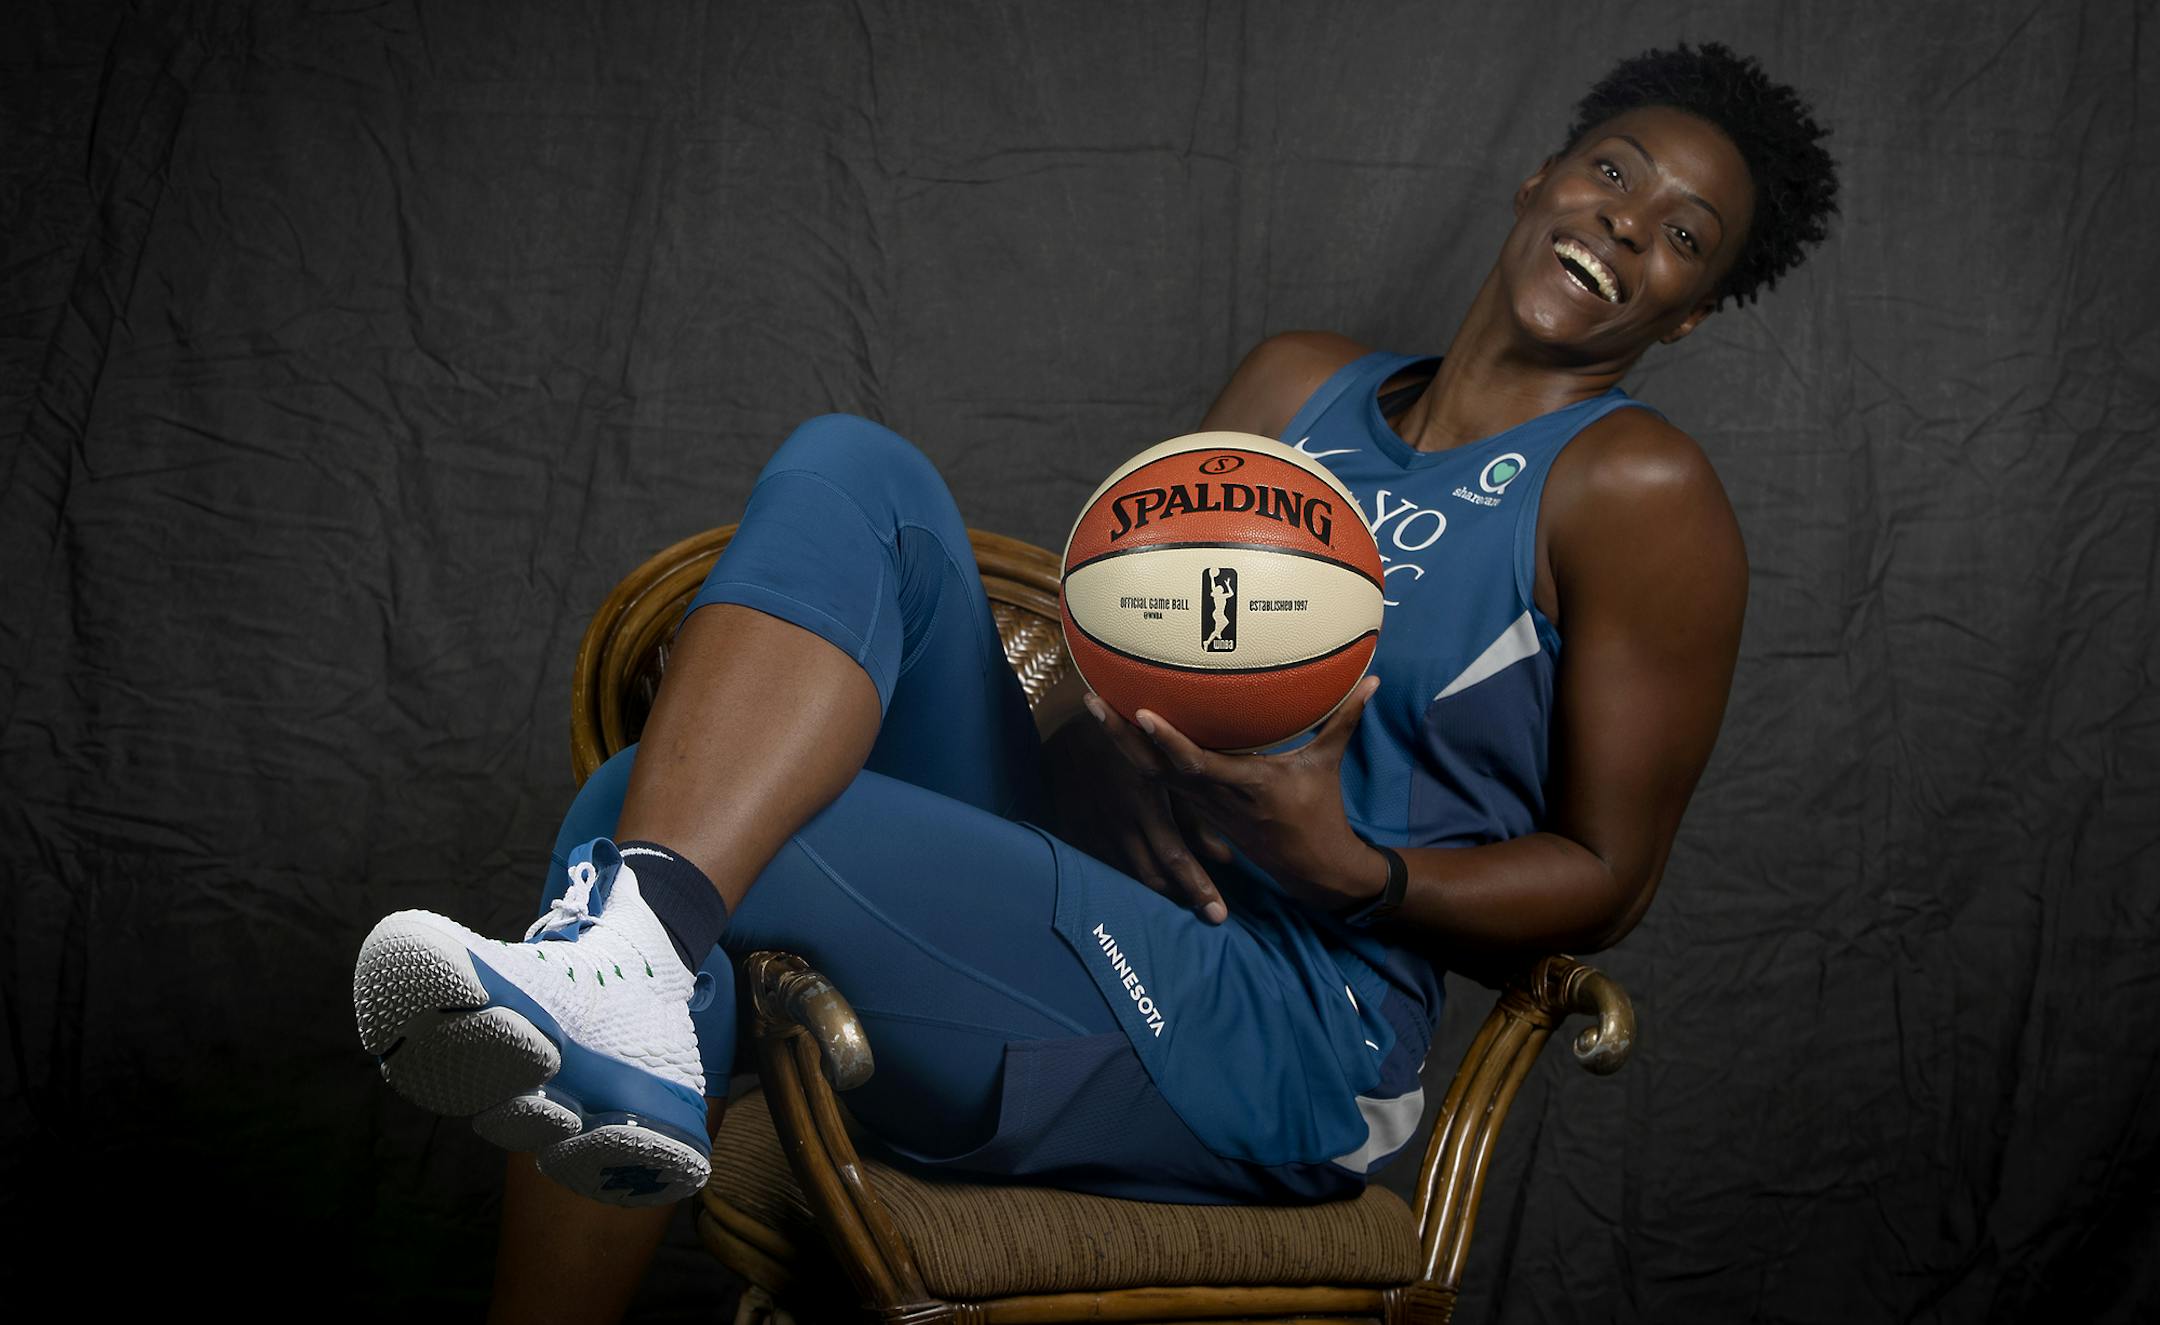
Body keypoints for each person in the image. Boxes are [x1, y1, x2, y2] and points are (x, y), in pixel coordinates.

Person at [351, 41, 1837, 1320]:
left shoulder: (1635, 490)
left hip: (1285, 1023)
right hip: (1077, 870)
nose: (1626, 224)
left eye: (1683, 237)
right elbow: (1101, 649)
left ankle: (629, 957)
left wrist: (1355, 867)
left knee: (647, 811)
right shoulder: (1294, 387)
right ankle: (629, 965)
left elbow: (1610, 878)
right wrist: (1102, 731)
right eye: (1613, 173)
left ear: (1689, 313)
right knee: (859, 469)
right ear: (1538, 180)